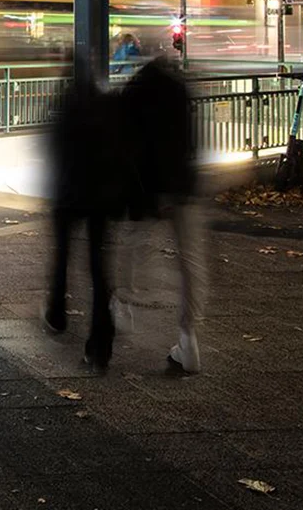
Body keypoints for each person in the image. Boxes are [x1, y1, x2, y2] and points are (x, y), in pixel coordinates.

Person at [119, 54, 206, 373]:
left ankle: (123, 303)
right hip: (183, 185)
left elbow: (127, 145)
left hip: (149, 188)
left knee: (133, 246)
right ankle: (188, 338)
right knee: (190, 262)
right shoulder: (180, 89)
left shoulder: (134, 90)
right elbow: (189, 142)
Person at [43, 65, 124, 370]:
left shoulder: (64, 107)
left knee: (62, 257)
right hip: (100, 201)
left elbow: (54, 151)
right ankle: (100, 344)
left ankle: (57, 313)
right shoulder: (107, 107)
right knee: (99, 270)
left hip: (67, 198)